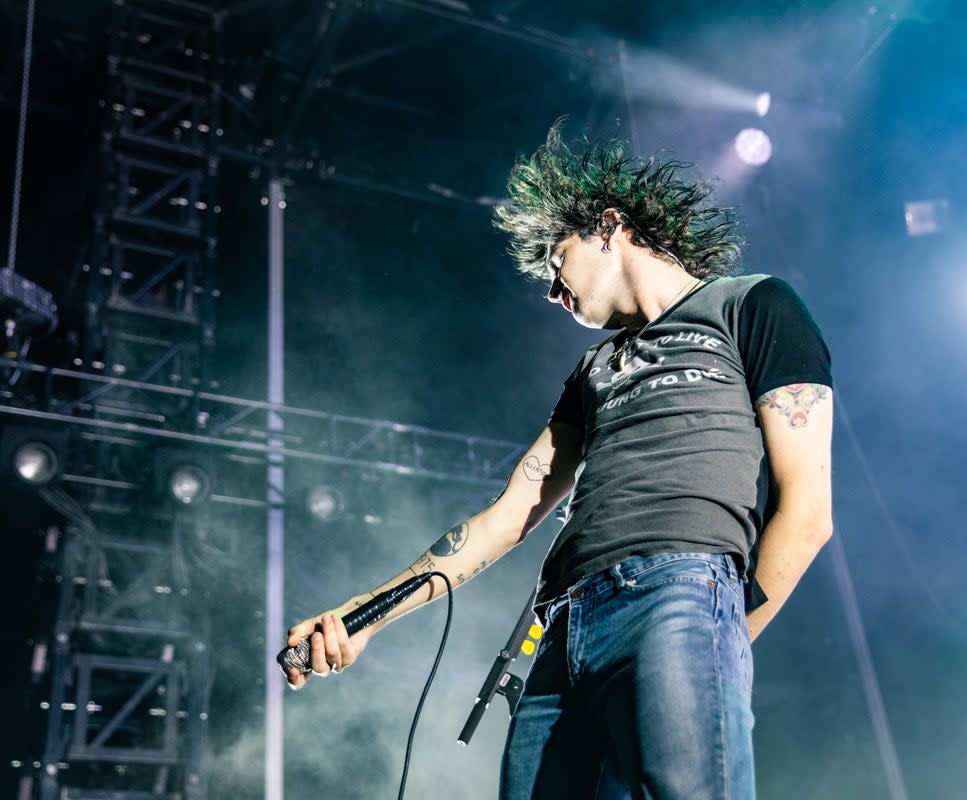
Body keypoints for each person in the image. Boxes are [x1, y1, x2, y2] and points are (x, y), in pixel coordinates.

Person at [284, 125, 834, 800]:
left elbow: (806, 513)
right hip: (560, 632)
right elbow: (507, 515)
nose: (552, 291)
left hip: (680, 597)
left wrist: (724, 636)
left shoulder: (752, 306)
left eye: (554, 259)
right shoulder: (592, 370)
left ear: (609, 227)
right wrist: (364, 615)